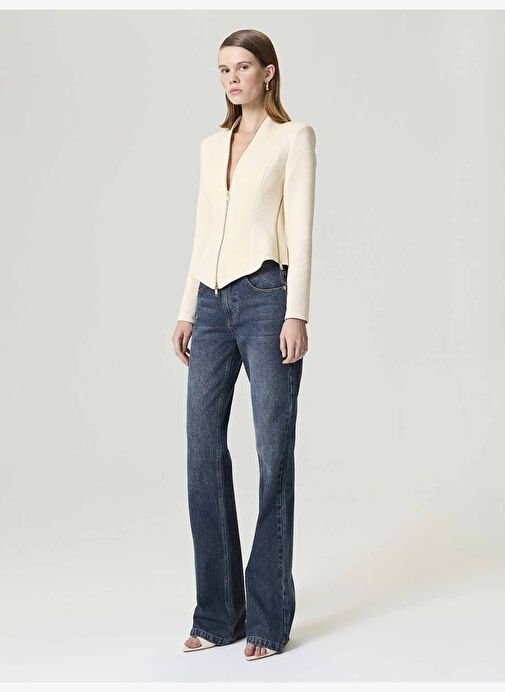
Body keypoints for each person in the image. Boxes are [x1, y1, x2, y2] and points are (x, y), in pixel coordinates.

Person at [172, 29, 317, 660]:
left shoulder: (293, 138)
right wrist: (186, 310)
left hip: (266, 299)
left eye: (242, 67)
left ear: (268, 72)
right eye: (223, 69)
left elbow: (302, 231)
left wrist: (297, 313)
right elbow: (203, 230)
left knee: (272, 453)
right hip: (209, 303)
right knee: (202, 451)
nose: (232, 79)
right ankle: (217, 612)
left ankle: (268, 620)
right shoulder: (212, 146)